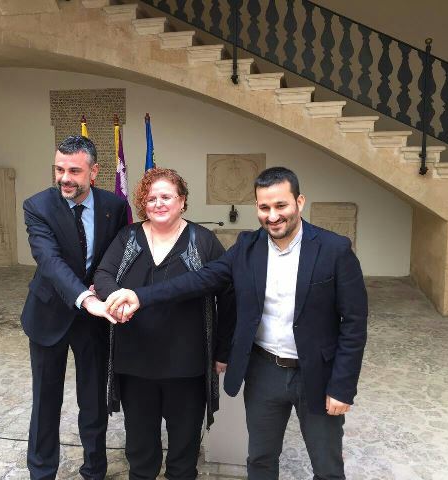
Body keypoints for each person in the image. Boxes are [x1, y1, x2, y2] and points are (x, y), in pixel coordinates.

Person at [106, 167, 368, 480]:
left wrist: (342, 386)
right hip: (264, 371)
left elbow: (354, 324)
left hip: (318, 373)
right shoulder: (247, 247)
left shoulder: (334, 249)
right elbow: (199, 280)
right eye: (264, 207)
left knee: (326, 467)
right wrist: (140, 296)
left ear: (299, 202)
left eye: (281, 205)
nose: (273, 216)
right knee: (260, 460)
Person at [93, 167, 236, 480]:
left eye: (166, 197)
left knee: (184, 451)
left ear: (182, 201)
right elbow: (103, 274)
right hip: (134, 363)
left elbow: (228, 293)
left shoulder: (203, 241)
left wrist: (223, 350)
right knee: (140, 450)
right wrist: (115, 297)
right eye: (151, 198)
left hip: (186, 365)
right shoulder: (128, 237)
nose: (158, 203)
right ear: (143, 203)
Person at [21, 135, 128, 480]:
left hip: (94, 321)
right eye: (59, 169)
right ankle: (41, 472)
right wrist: (87, 298)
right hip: (49, 312)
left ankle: (94, 469)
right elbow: (49, 261)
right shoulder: (37, 206)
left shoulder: (114, 206)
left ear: (94, 172)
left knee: (94, 400)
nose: (64, 178)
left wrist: (105, 287)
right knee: (46, 400)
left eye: (74, 171)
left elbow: (115, 256)